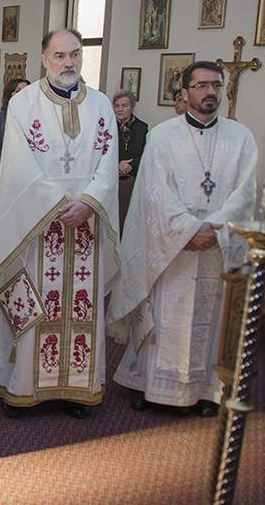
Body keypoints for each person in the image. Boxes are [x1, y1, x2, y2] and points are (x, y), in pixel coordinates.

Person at [0, 30, 119, 420]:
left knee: (79, 304)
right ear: (44, 59)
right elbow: (16, 166)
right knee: (32, 300)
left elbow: (108, 160)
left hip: (86, 227)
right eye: (59, 56)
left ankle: (75, 388)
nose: (68, 63)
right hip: (35, 226)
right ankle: (21, 386)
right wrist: (58, 205)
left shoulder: (101, 105)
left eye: (75, 54)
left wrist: (89, 202)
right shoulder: (23, 104)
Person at [107, 61, 257, 417]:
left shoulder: (241, 137)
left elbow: (245, 191)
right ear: (185, 92)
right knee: (164, 309)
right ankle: (146, 383)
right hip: (171, 245)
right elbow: (156, 193)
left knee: (210, 314)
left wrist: (212, 227)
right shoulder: (163, 135)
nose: (210, 92)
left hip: (215, 245)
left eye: (216, 86)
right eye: (202, 85)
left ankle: (206, 389)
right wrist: (189, 229)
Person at [0, 77, 30, 210]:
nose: (22, 94)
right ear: (10, 94)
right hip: (3, 173)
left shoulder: (33, 118)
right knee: (3, 210)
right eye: (18, 91)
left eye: (26, 91)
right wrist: (12, 168)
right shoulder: (0, 117)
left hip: (27, 174)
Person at [112, 90, 148, 231]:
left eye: (124, 105)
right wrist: (117, 165)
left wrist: (129, 165)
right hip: (113, 178)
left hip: (135, 179)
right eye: (117, 105)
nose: (120, 109)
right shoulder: (107, 126)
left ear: (132, 108)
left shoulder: (142, 127)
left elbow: (147, 153)